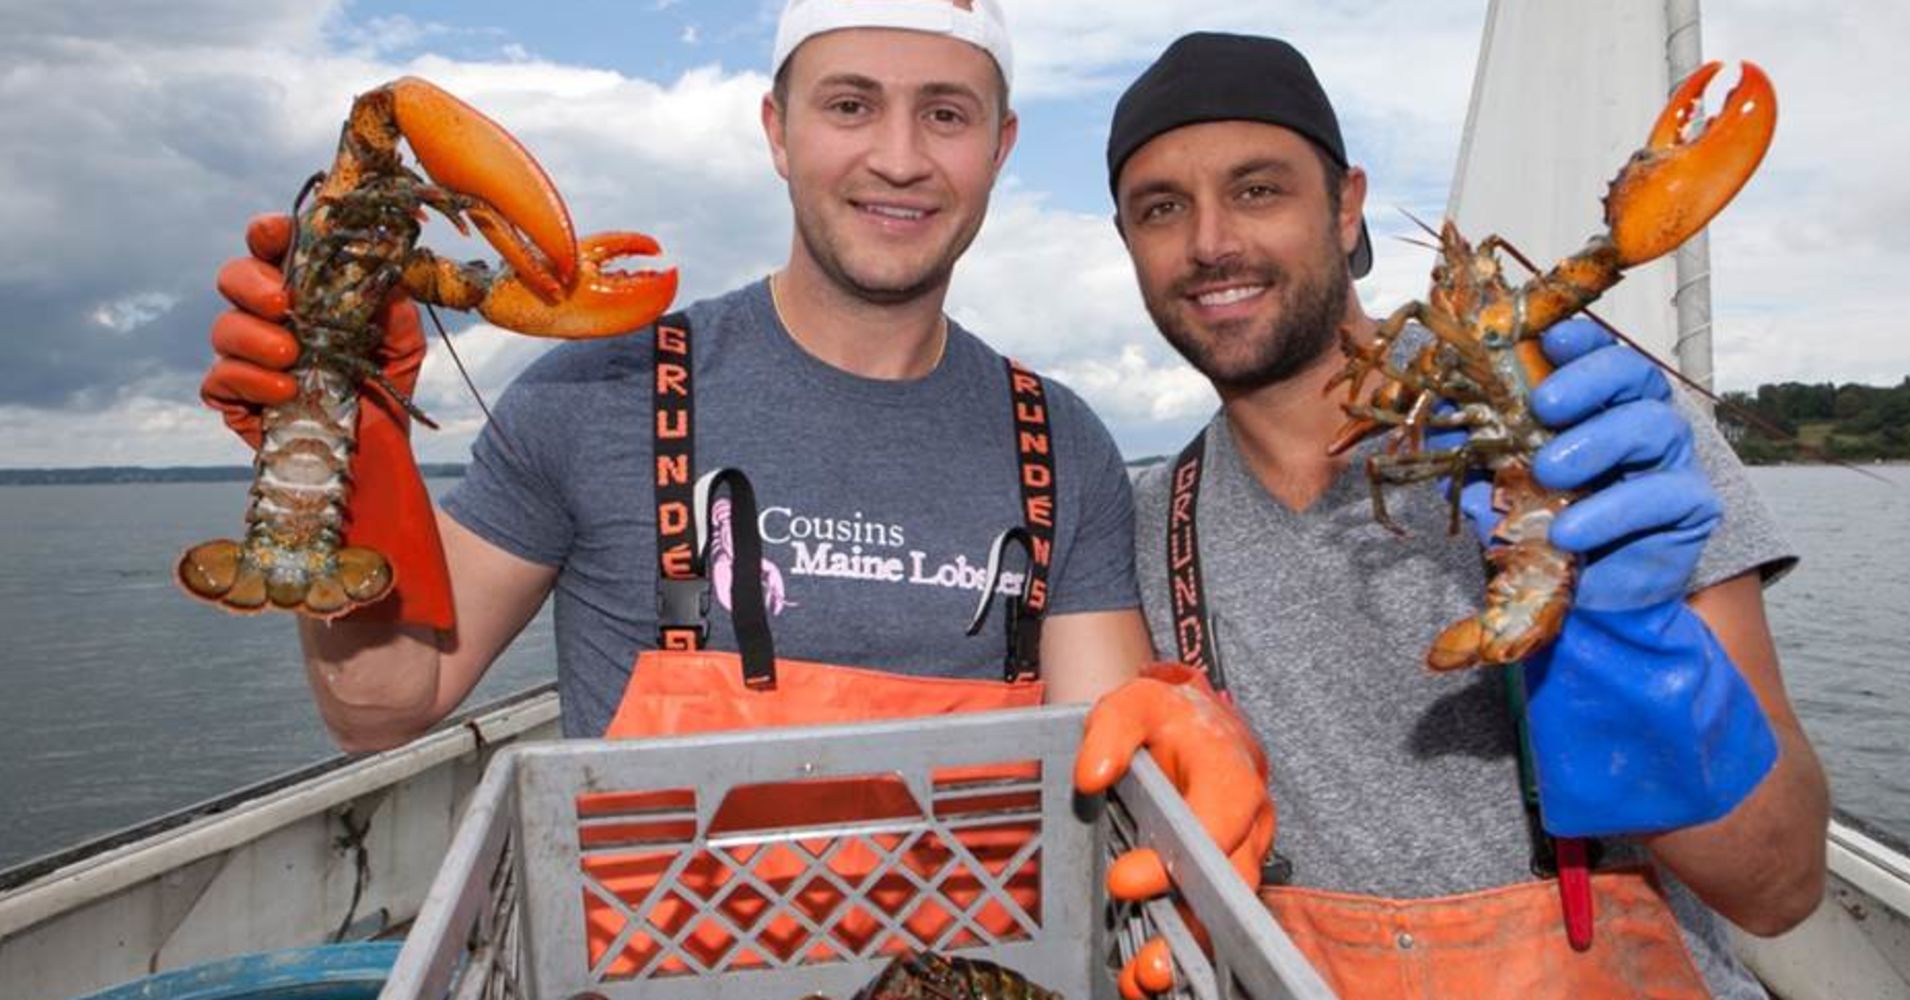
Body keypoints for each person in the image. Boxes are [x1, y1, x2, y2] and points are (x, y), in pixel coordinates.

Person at [1103, 32, 1830, 998]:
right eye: (1162, 209)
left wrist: (1636, 653)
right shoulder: (1146, 526)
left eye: (1258, 189)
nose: (1210, 243)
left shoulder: (1608, 432)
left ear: (1347, 203)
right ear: (1127, 242)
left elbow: (1780, 889)